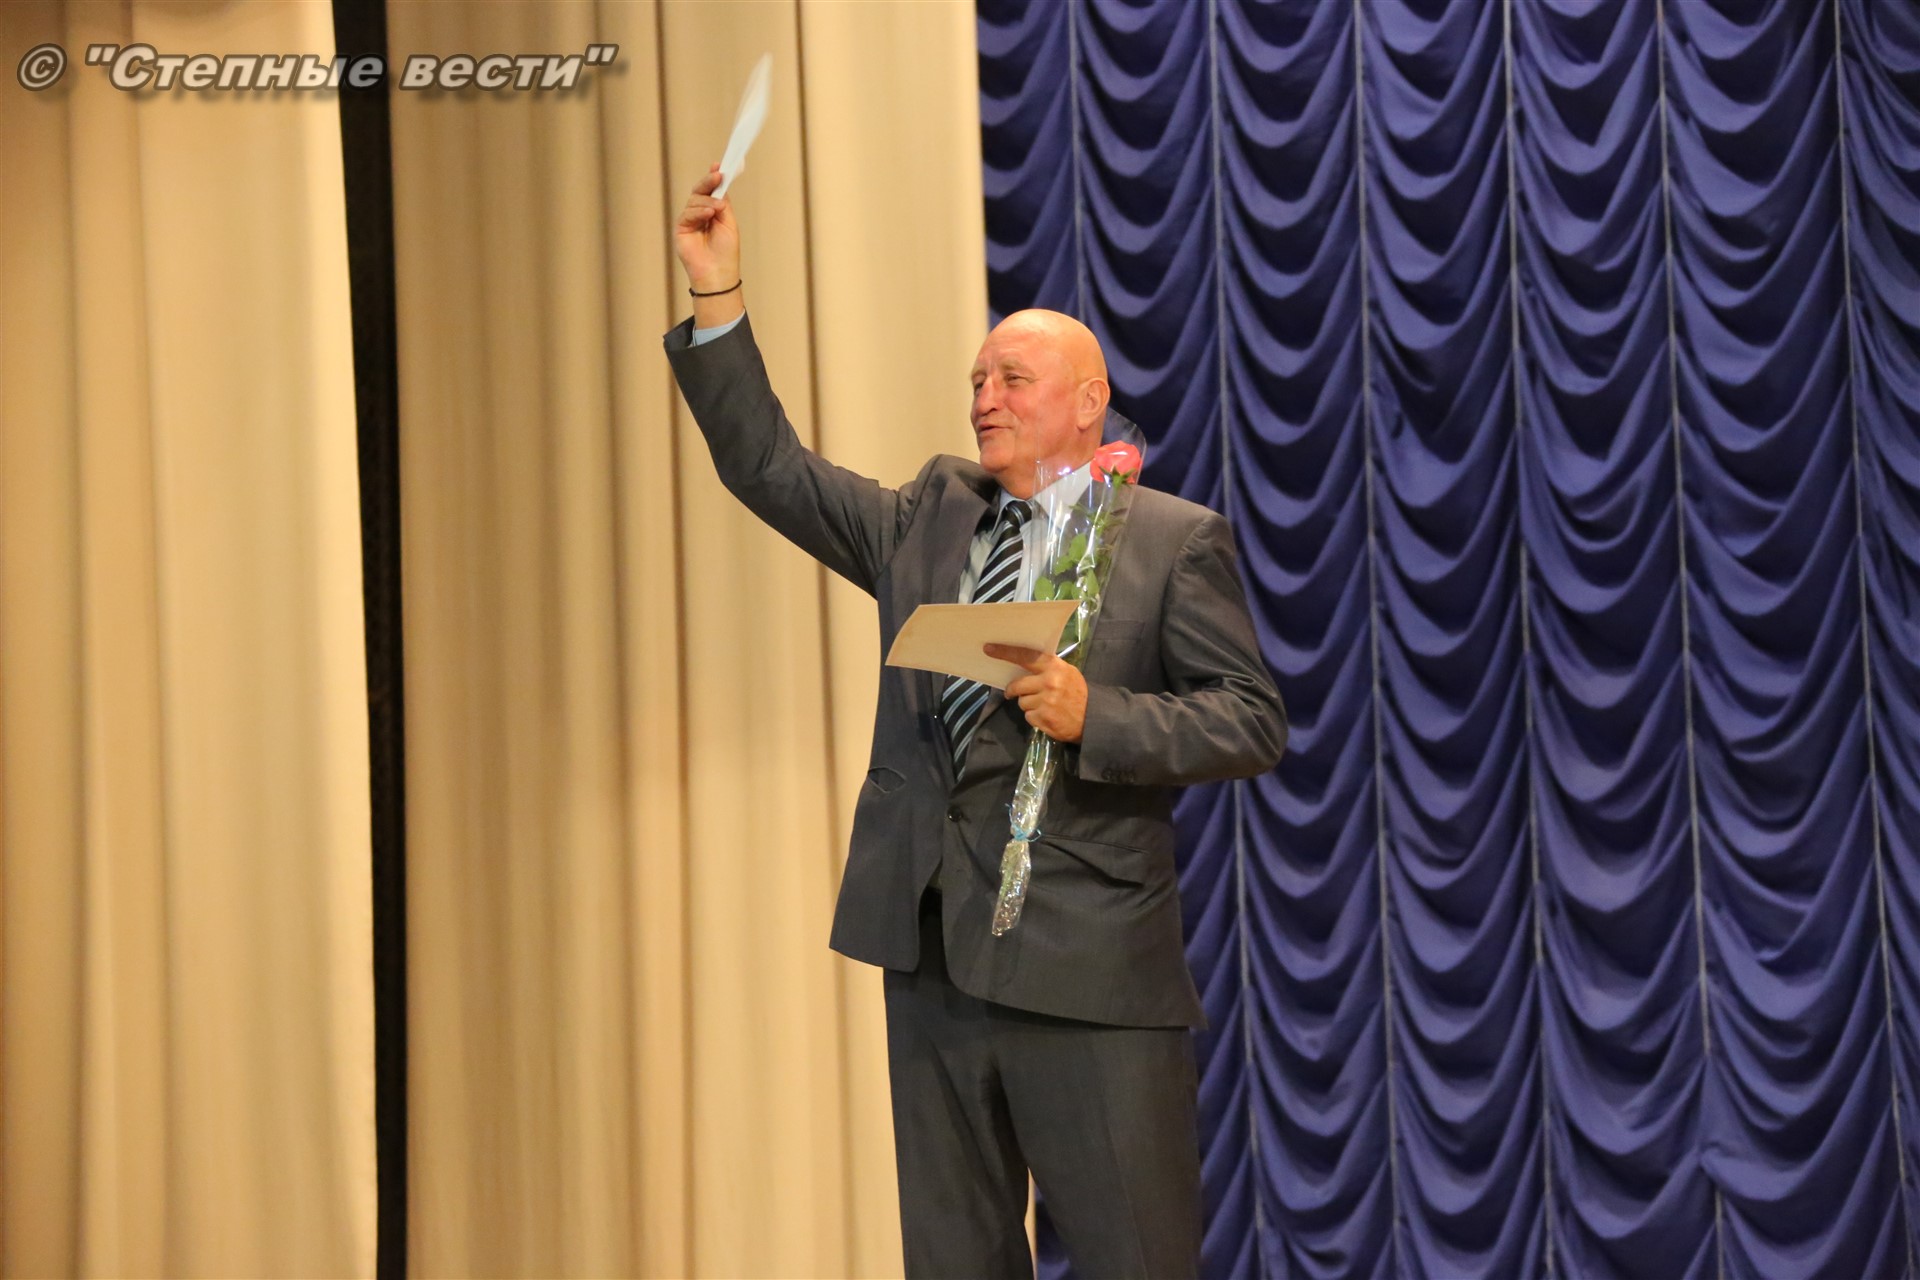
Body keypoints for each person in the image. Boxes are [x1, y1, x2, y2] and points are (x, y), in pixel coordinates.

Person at [666, 163, 1285, 1279]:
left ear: (1089, 401)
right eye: (977, 379)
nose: (984, 397)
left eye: (1013, 378)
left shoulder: (1169, 541)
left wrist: (1100, 713)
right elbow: (767, 467)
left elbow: (1250, 719)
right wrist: (719, 295)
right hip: (935, 958)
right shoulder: (928, 516)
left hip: (1091, 970)